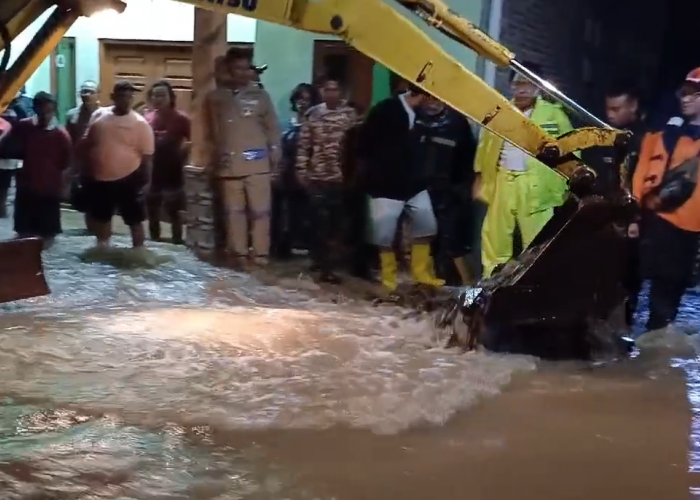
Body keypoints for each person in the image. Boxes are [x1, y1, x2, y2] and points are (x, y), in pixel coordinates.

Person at [475, 62, 574, 277]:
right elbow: (485, 147)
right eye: (518, 83)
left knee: (540, 244)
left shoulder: (553, 115)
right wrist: (480, 177)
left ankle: (539, 290)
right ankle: (490, 288)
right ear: (510, 85)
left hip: (537, 186)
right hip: (503, 181)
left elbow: (571, 149)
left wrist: (567, 183)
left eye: (529, 85)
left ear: (538, 88)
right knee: (494, 241)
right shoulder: (499, 112)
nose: (522, 89)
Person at [358, 84, 444, 293]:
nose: (433, 103)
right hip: (385, 184)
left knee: (427, 225)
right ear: (421, 95)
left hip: (414, 183)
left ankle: (421, 274)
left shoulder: (424, 116)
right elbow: (363, 144)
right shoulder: (385, 110)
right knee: (384, 235)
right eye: (429, 98)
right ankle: (389, 279)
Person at [632, 68, 700, 331]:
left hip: (689, 232)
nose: (685, 98)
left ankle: (653, 351)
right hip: (656, 222)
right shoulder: (661, 132)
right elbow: (640, 173)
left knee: (668, 299)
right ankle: (629, 353)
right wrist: (634, 213)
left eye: (694, 94)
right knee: (633, 285)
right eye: (684, 92)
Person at [204, 47, 281, 267]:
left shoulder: (261, 96)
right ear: (229, 69)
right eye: (236, 67)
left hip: (257, 164)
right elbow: (211, 131)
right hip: (228, 165)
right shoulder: (215, 98)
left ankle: (260, 255)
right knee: (233, 213)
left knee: (260, 212)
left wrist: (275, 158)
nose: (241, 72)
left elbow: (273, 129)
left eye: (245, 68)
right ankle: (238, 255)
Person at [582, 79, 647, 327]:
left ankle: (623, 329)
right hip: (601, 220)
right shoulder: (601, 136)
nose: (610, 115)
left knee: (628, 279)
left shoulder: (645, 140)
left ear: (633, 105)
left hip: (631, 224)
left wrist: (635, 219)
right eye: (608, 109)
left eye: (617, 109)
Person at [296, 77, 358, 283]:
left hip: (342, 178)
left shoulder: (350, 115)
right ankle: (321, 262)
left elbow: (357, 147)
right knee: (318, 222)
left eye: (335, 89)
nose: (331, 93)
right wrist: (301, 171)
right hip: (318, 177)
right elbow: (304, 146)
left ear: (341, 92)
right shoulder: (313, 115)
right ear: (321, 92)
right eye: (327, 90)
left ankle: (332, 263)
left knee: (337, 224)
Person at [81, 81, 155, 249]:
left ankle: (138, 250)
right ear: (113, 97)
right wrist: (84, 169)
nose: (126, 100)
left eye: (130, 96)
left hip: (129, 178)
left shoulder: (140, 124)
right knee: (102, 217)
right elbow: (88, 142)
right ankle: (103, 248)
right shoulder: (99, 115)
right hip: (100, 178)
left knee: (134, 219)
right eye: (122, 96)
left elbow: (148, 157)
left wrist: (147, 182)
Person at [415, 96, 478, 285]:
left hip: (451, 193)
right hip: (422, 190)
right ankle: (431, 282)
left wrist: (462, 190)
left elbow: (469, 158)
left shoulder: (457, 123)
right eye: (427, 98)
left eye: (436, 98)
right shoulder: (415, 119)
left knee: (453, 241)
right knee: (426, 239)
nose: (432, 102)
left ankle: (464, 287)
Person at [11, 92, 72, 246]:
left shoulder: (61, 135)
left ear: (54, 111)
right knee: (23, 233)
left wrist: (65, 187)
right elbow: (10, 150)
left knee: (48, 235)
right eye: (42, 111)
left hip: (49, 190)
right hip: (26, 188)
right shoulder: (23, 126)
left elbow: (67, 164)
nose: (45, 116)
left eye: (49, 112)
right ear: (35, 109)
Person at [271, 82, 319, 260]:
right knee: (277, 213)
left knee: (297, 215)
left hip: (303, 175)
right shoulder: (285, 123)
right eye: (300, 98)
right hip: (283, 173)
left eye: (307, 99)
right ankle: (276, 246)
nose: (303, 102)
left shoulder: (315, 125)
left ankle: (291, 245)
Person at [144, 80, 191, 244]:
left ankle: (177, 240)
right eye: (155, 95)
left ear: (171, 97)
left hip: (174, 169)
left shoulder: (182, 118)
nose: (158, 98)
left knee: (174, 210)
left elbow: (195, 141)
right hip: (153, 169)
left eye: (162, 95)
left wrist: (184, 154)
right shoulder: (147, 118)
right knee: (152, 208)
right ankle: (154, 240)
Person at [65, 81, 100, 227]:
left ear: (97, 94)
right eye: (84, 91)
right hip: (80, 161)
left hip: (100, 160)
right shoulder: (72, 115)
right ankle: (89, 227)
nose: (86, 94)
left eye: (90, 91)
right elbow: (68, 140)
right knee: (84, 196)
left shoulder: (103, 114)